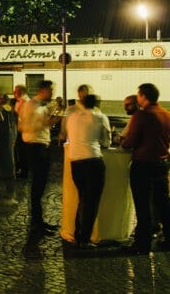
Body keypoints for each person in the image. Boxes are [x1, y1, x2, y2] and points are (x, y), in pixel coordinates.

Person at [122, 83, 170, 254]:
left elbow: (130, 142)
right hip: (161, 164)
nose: (137, 98)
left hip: (143, 163)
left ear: (143, 96)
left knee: (143, 205)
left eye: (138, 95)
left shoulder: (142, 115)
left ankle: (142, 245)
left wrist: (123, 142)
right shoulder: (168, 115)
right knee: (164, 204)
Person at [65, 93, 111, 248]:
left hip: (75, 161)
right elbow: (106, 142)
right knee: (91, 202)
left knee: (82, 198)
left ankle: (78, 234)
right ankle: (85, 239)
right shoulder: (100, 117)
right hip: (93, 160)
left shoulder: (72, 117)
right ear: (97, 103)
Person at [19, 79, 59, 235]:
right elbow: (24, 127)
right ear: (43, 90)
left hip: (41, 146)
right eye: (51, 91)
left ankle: (38, 221)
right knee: (37, 186)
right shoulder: (31, 106)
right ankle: (36, 223)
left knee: (40, 185)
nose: (53, 94)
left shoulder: (41, 106)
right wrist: (46, 123)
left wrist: (50, 120)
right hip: (34, 147)